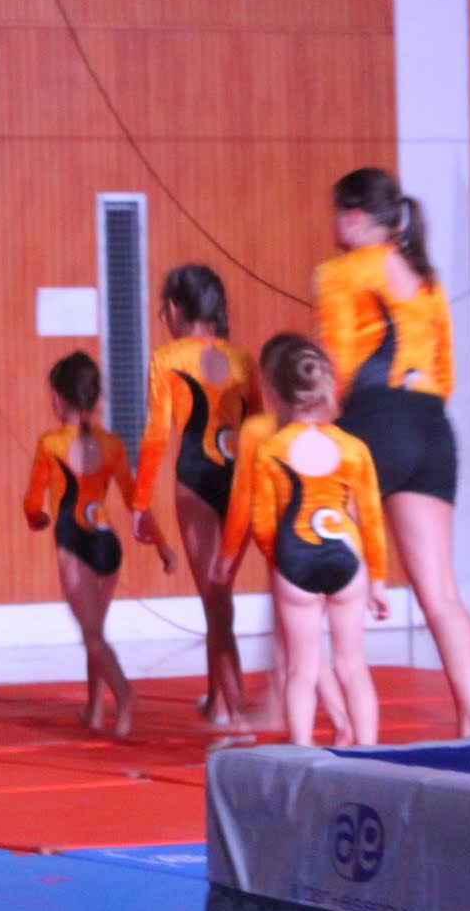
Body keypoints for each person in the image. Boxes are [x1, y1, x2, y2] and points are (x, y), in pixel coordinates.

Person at [316, 167, 470, 737]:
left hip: (375, 421)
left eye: (336, 212)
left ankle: (346, 723)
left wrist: (317, 436)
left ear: (355, 217)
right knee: (440, 593)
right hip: (433, 427)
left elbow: (337, 367)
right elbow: (446, 371)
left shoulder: (340, 273)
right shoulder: (425, 278)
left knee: (316, 572)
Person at [221, 336, 387, 746]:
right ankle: (369, 753)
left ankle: (302, 754)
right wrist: (378, 580)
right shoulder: (354, 449)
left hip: (295, 559)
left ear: (276, 391)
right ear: (327, 386)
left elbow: (262, 522)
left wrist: (279, 562)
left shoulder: (271, 449)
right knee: (353, 667)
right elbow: (371, 519)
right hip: (346, 559)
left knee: (301, 670)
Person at [131, 264, 260, 725]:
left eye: (162, 310)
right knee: (218, 596)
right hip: (243, 482)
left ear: (173, 309)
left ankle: (237, 711)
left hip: (197, 481)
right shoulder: (243, 360)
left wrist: (140, 503)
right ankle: (219, 701)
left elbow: (156, 436)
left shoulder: (167, 358)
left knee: (215, 601)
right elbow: (259, 431)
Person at [25, 352, 171, 738]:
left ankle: (123, 695)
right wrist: (161, 545)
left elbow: (32, 502)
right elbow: (135, 501)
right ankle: (93, 709)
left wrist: (36, 518)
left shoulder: (51, 444)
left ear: (58, 399)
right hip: (107, 544)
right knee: (96, 631)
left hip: (74, 545)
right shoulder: (112, 445)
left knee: (92, 635)